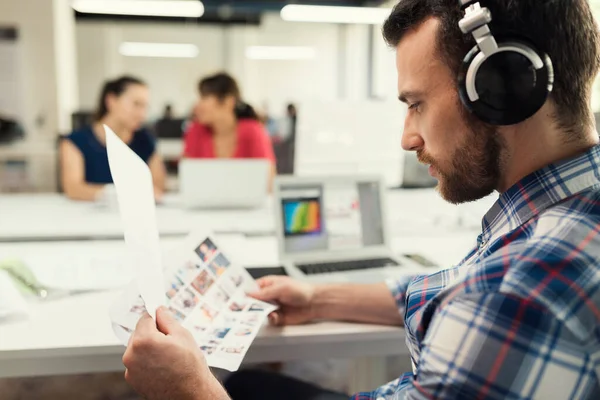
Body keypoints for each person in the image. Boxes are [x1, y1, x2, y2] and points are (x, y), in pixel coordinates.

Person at [121, 1, 600, 399]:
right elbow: (462, 284)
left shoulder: (517, 294)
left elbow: (489, 295)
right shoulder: (564, 211)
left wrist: (187, 389)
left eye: (416, 104)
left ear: (504, 85)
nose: (407, 138)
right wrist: (318, 299)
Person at [61, 76, 166, 201]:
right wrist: (116, 193)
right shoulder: (75, 142)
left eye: (145, 106)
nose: (142, 114)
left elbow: (158, 186)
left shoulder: (146, 140)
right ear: (111, 101)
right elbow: (73, 188)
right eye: (136, 104)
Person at [182, 72, 276, 184]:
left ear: (228, 101)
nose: (197, 105)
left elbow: (269, 179)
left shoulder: (252, 131)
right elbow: (187, 178)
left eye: (204, 97)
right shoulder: (196, 131)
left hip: (247, 201)